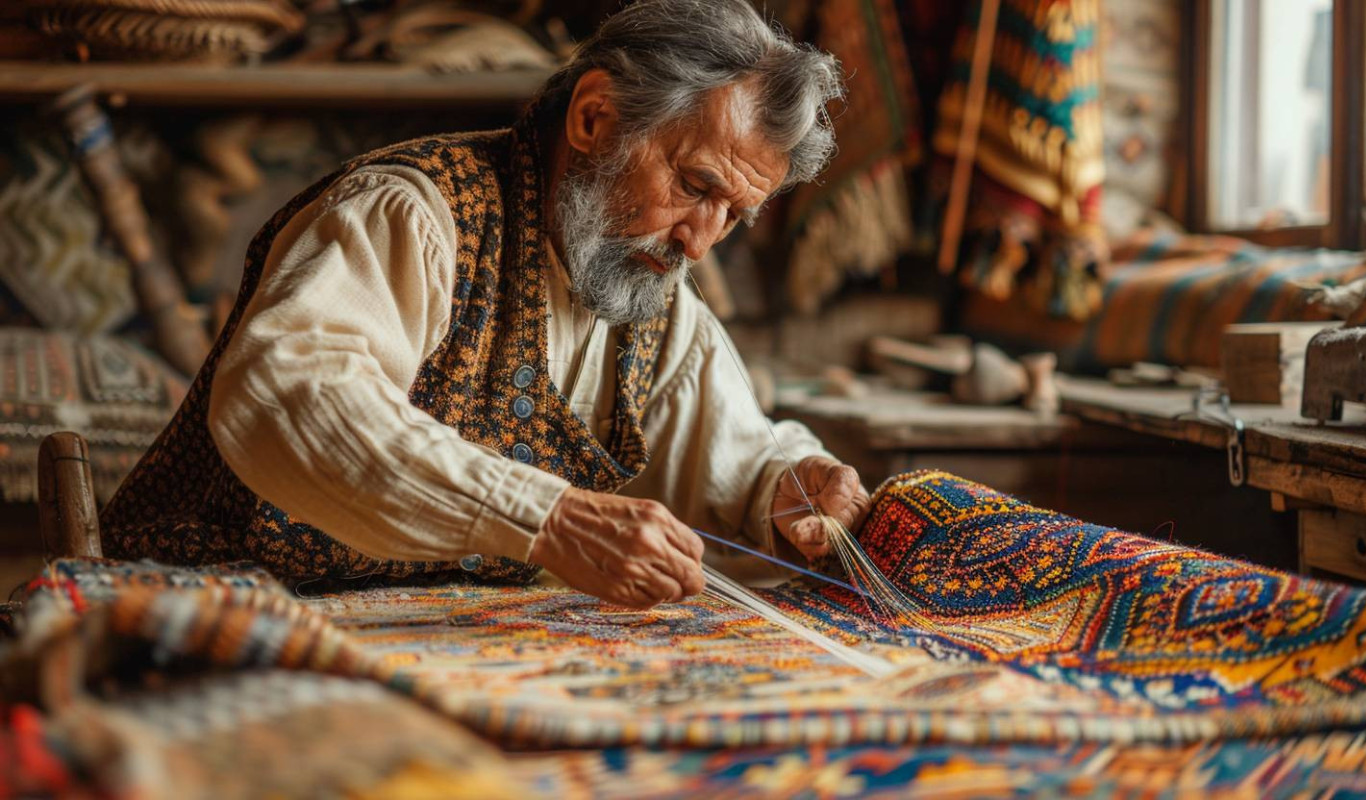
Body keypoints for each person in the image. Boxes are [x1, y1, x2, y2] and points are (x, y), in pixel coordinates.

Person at [101, 0, 869, 609]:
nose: (701, 242)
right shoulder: (411, 213)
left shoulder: (648, 288)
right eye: (695, 187)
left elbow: (733, 446)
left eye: (733, 215)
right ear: (595, 119)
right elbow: (289, 394)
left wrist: (790, 484)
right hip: (209, 611)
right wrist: (547, 517)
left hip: (425, 645)